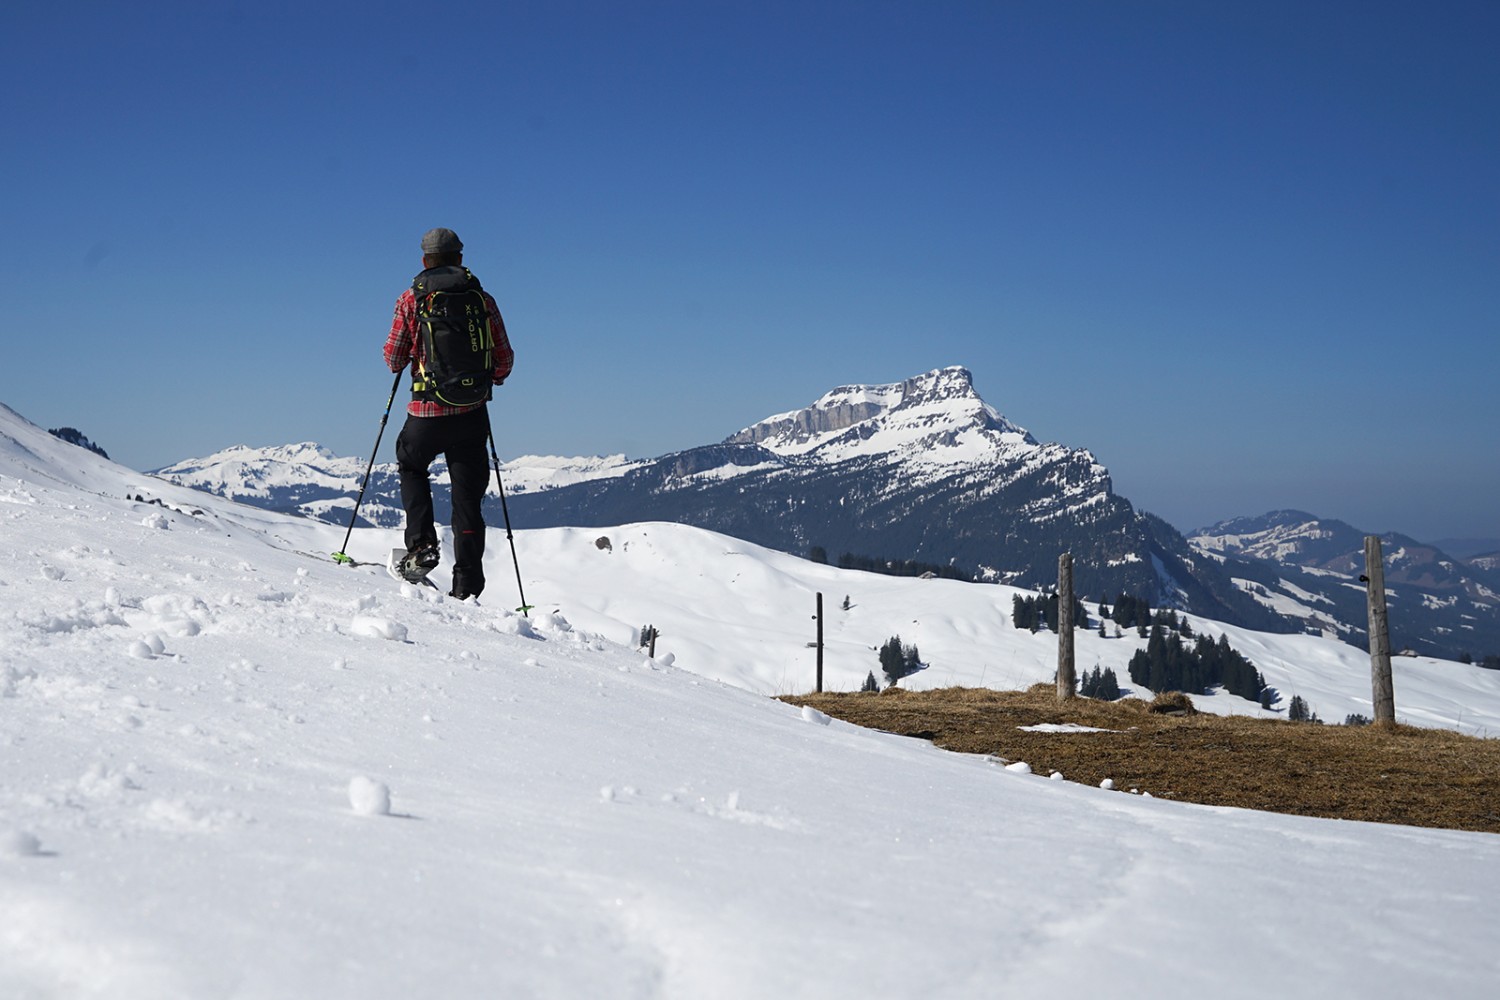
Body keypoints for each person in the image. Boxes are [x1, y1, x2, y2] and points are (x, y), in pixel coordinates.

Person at [383, 227, 514, 599]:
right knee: (467, 498)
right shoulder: (482, 300)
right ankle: (468, 582)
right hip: (471, 414)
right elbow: (503, 359)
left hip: (425, 414)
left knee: (411, 465)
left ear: (424, 261)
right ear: (460, 258)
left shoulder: (410, 300)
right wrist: (488, 380)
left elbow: (393, 359)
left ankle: (421, 547)